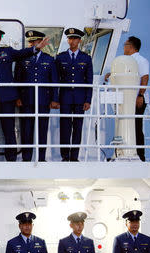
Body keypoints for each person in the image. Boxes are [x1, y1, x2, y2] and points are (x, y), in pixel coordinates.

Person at [0, 27, 49, 162]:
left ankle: (11, 157)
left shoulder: (7, 52)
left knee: (9, 129)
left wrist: (36, 48)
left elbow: (22, 53)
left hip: (7, 97)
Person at [14, 30, 57, 162]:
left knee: (42, 130)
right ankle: (27, 159)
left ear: (41, 43)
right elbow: (17, 79)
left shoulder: (49, 59)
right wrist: (17, 97)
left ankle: (41, 158)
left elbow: (54, 80)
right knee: (26, 131)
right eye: (30, 42)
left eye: (34, 41)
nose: (31, 44)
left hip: (43, 100)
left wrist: (55, 99)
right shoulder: (22, 59)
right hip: (26, 100)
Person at [55, 28, 93, 162]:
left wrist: (88, 100)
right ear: (68, 40)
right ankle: (65, 156)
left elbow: (89, 81)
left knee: (77, 127)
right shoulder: (60, 57)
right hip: (65, 97)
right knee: (65, 127)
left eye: (75, 39)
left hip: (80, 98)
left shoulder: (86, 58)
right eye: (70, 38)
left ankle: (74, 156)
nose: (72, 41)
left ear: (79, 40)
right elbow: (56, 80)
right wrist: (56, 98)